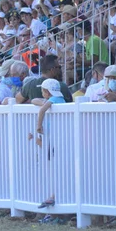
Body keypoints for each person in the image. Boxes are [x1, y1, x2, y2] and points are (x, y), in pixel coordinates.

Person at [32, 78, 66, 211]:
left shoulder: (53, 101)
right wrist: (43, 102)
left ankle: (54, 194)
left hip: (54, 138)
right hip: (58, 137)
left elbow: (41, 110)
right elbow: (35, 101)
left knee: (53, 164)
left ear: (46, 91)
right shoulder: (59, 100)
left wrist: (38, 126)